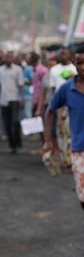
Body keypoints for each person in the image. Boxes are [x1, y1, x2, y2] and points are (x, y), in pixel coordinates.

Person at [43, 46, 84, 211]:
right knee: (82, 197)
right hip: (79, 150)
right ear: (74, 63)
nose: (83, 67)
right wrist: (47, 141)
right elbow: (49, 111)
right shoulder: (67, 88)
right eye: (80, 63)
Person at [0, 51, 24, 154]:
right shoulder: (0, 70)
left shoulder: (18, 69)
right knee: (7, 123)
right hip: (4, 99)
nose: (8, 60)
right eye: (7, 58)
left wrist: (22, 99)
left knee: (15, 121)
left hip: (14, 98)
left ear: (12, 59)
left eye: (10, 58)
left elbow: (21, 86)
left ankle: (17, 142)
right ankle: (12, 145)